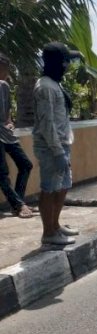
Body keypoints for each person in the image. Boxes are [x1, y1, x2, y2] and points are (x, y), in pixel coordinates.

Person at [33, 42, 82, 246]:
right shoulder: (45, 87)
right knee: (50, 188)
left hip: (62, 145)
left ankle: (56, 225)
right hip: (51, 148)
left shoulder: (55, 83)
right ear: (58, 63)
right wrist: (57, 151)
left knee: (62, 187)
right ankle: (49, 232)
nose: (68, 65)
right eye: (66, 61)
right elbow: (47, 123)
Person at [0, 54, 34, 218]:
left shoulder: (4, 86)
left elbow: (7, 113)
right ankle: (18, 205)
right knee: (2, 173)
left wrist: (9, 122)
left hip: (6, 133)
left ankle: (18, 202)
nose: (6, 72)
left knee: (26, 164)